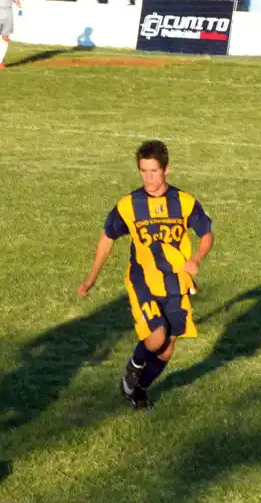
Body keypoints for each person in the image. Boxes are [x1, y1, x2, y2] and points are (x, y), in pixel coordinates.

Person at [77, 140, 214, 410]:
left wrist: (196, 259)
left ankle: (136, 390)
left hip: (176, 281)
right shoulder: (129, 205)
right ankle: (134, 366)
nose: (148, 178)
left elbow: (206, 235)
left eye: (154, 171)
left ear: (166, 169)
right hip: (143, 281)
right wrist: (92, 277)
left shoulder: (184, 202)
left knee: (168, 347)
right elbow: (107, 237)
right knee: (155, 338)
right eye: (143, 171)